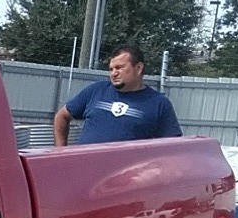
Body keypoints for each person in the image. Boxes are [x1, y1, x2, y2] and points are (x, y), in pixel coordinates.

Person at [53, 45, 182, 146]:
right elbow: (62, 116)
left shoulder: (158, 104)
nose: (113, 73)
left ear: (138, 68)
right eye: (111, 69)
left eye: (119, 68)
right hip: (87, 172)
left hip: (129, 176)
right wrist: (60, 152)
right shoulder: (96, 91)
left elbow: (173, 146)